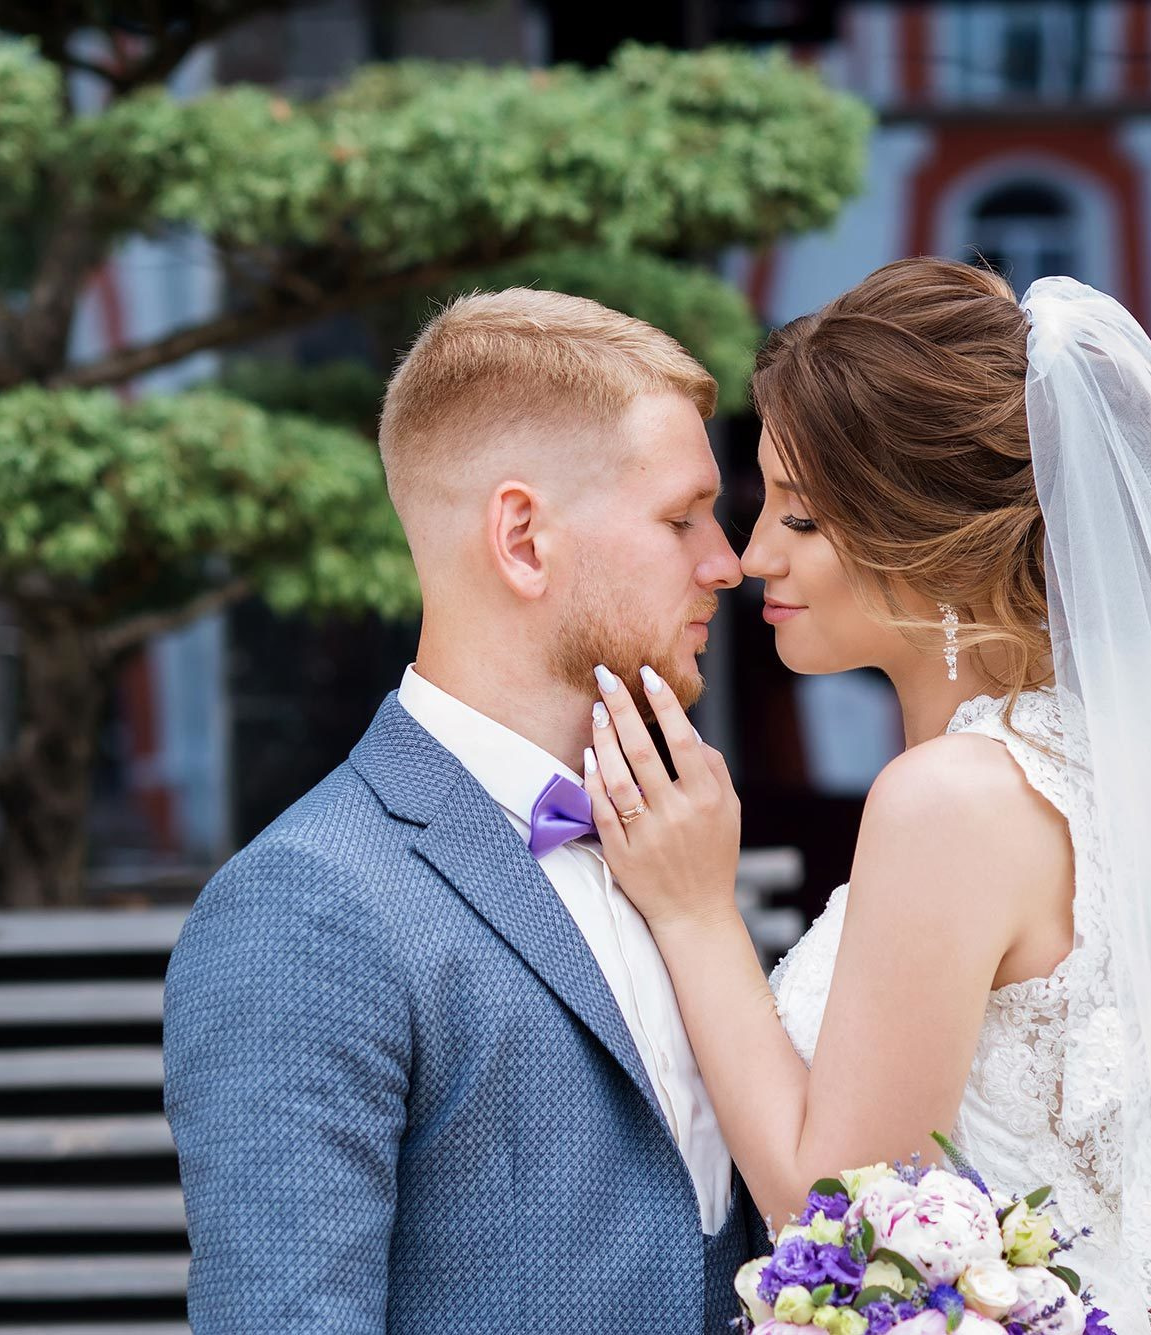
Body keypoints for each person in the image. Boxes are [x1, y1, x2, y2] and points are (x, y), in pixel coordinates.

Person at [586, 259, 1151, 1332]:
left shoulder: (950, 802)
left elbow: (837, 1216)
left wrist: (696, 911)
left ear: (922, 532)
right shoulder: (1109, 773)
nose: (747, 559)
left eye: (798, 519)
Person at [162, 289, 762, 1332]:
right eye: (680, 518)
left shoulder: (678, 847)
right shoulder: (306, 908)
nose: (727, 561)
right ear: (523, 538)